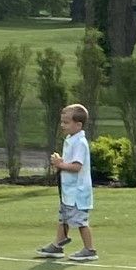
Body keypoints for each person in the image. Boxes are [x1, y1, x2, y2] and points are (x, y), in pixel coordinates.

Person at [36, 104, 97, 262]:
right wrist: (61, 162)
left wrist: (60, 164)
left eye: (66, 122)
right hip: (69, 190)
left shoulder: (80, 142)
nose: (63, 125)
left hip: (78, 192)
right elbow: (70, 163)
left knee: (80, 221)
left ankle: (89, 249)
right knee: (64, 218)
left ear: (78, 125)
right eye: (62, 122)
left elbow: (77, 166)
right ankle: (57, 245)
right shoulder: (70, 140)